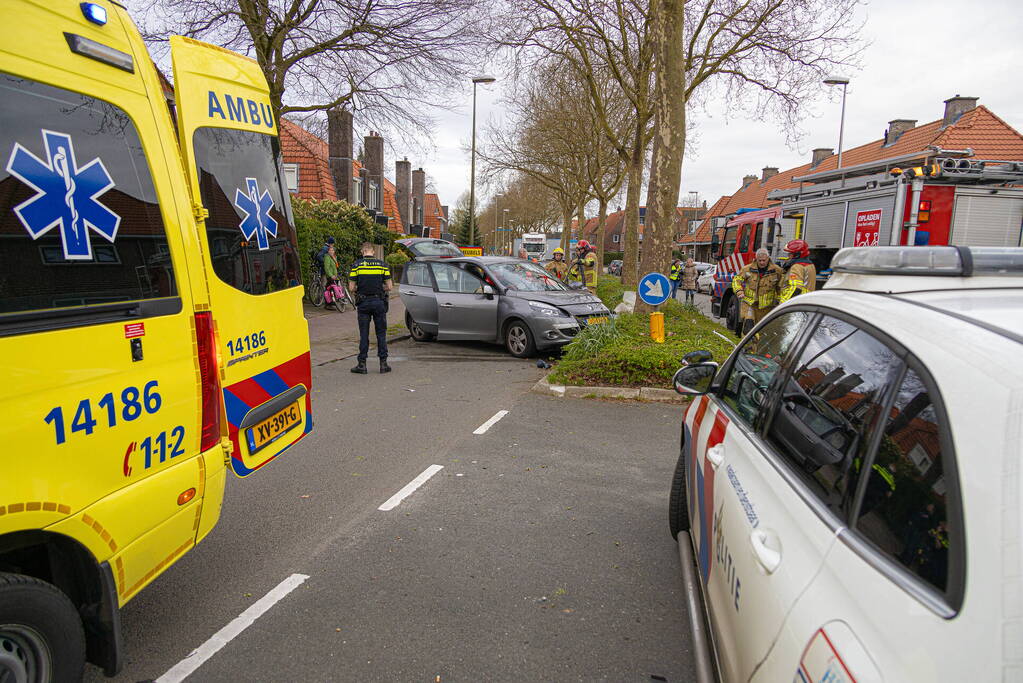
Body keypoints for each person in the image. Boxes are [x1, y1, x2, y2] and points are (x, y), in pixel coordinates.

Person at [347, 242, 393, 374]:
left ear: (362, 252)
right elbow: (389, 286)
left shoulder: (356, 265)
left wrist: (360, 288)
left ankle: (362, 364)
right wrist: (379, 288)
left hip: (363, 303)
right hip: (379, 302)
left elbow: (351, 288)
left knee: (364, 334)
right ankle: (383, 364)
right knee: (381, 334)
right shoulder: (382, 265)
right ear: (373, 252)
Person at [731, 247, 785, 336]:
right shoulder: (747, 269)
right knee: (748, 328)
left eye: (764, 260)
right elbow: (736, 280)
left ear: (768, 258)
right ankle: (747, 344)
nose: (762, 262)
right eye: (759, 260)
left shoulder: (777, 270)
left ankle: (758, 344)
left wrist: (781, 301)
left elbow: (781, 287)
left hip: (767, 307)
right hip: (750, 304)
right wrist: (739, 291)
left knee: (763, 332)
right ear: (756, 259)